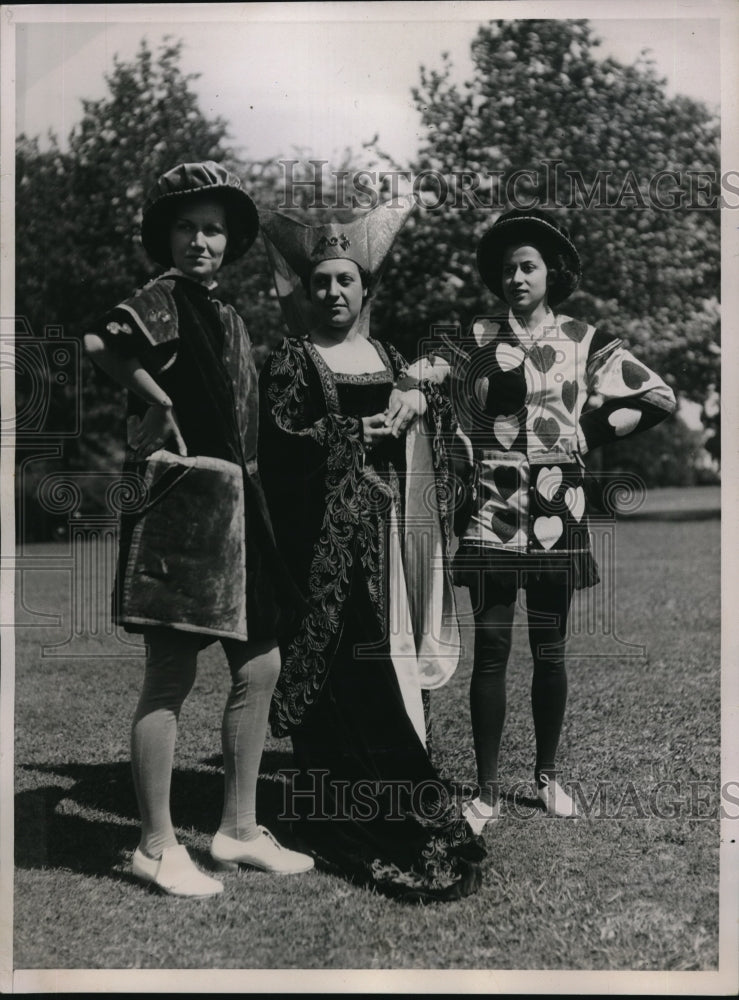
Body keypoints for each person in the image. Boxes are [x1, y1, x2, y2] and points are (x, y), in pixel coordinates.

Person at [83, 161, 313, 897]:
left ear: (229, 239)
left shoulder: (226, 313)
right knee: (171, 675)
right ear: (166, 237)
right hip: (183, 507)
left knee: (261, 665)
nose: (198, 240)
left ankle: (238, 830)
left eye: (211, 228)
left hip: (239, 509)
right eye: (185, 227)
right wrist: (158, 404)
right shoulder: (163, 299)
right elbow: (99, 342)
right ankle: (153, 844)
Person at [414, 208, 676, 832]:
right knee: (493, 653)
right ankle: (484, 791)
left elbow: (658, 396)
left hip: (559, 511)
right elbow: (427, 382)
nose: (517, 278)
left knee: (550, 651)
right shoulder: (475, 338)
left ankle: (548, 777)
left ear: (551, 274)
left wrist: (588, 430)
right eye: (507, 269)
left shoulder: (585, 341)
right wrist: (408, 385)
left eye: (528, 266)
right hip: (492, 515)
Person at [257, 199, 486, 902]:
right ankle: (347, 798)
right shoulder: (294, 361)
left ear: (365, 291)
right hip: (324, 551)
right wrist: (348, 445)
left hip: (390, 538)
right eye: (320, 281)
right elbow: (278, 449)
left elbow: (461, 370)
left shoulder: (389, 359)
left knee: (391, 654)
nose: (332, 293)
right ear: (305, 289)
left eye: (344, 281)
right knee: (344, 672)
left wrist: (419, 405)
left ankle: (404, 768)